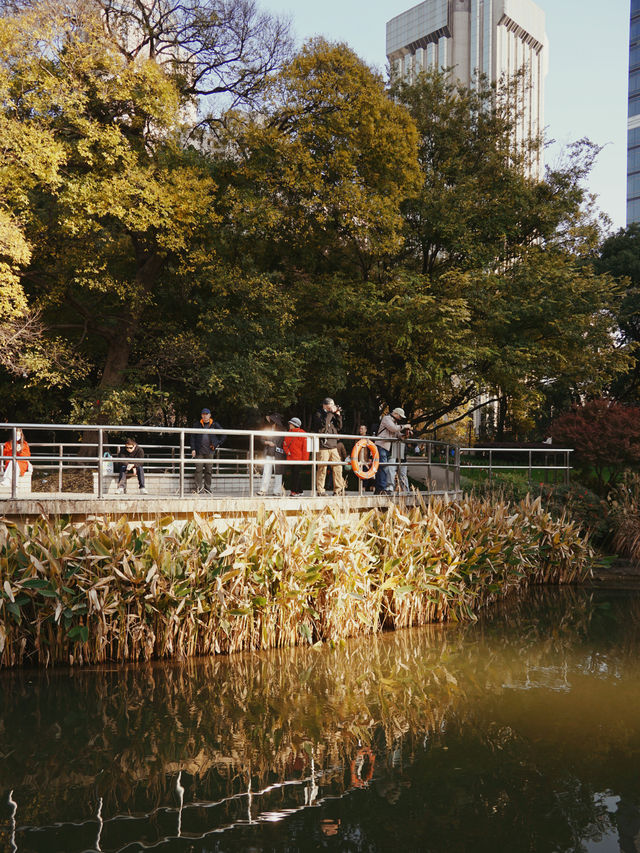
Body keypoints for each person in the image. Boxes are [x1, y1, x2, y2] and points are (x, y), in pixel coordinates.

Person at [311, 397, 344, 496]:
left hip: (333, 445)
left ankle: (338, 490)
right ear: (325, 405)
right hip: (323, 446)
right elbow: (323, 425)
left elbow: (339, 427)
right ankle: (320, 490)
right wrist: (330, 413)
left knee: (338, 467)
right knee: (322, 468)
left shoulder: (332, 414)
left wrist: (338, 415)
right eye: (331, 404)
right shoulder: (318, 414)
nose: (333, 407)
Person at [190, 407, 227, 494]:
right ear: (201, 415)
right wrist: (193, 449)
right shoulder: (197, 425)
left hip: (210, 451)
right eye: (203, 414)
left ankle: (207, 488)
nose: (205, 416)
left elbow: (224, 434)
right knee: (198, 470)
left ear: (210, 415)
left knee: (208, 471)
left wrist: (217, 443)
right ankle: (198, 489)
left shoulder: (214, 424)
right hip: (199, 451)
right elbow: (192, 437)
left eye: (207, 414)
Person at [374, 407, 407, 495]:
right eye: (400, 416)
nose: (400, 418)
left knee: (383, 468)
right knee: (383, 468)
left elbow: (397, 433)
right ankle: (381, 489)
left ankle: (379, 489)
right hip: (381, 446)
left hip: (387, 447)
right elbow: (393, 428)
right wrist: (405, 426)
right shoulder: (387, 418)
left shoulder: (394, 422)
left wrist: (404, 434)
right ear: (396, 414)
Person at [257, 413, 286, 496]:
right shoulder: (267, 428)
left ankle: (277, 491)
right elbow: (262, 439)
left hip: (278, 453)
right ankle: (263, 490)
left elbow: (284, 442)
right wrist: (267, 442)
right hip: (269, 452)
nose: (271, 421)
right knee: (266, 471)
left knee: (278, 473)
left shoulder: (283, 430)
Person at [283, 416, 309, 496]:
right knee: (295, 474)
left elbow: (305, 448)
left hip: (298, 458)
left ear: (294, 424)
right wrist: (287, 452)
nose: (289, 425)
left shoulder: (302, 434)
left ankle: (294, 491)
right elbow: (285, 444)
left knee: (295, 474)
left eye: (290, 424)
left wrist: (305, 460)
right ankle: (300, 491)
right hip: (292, 458)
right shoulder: (289, 433)